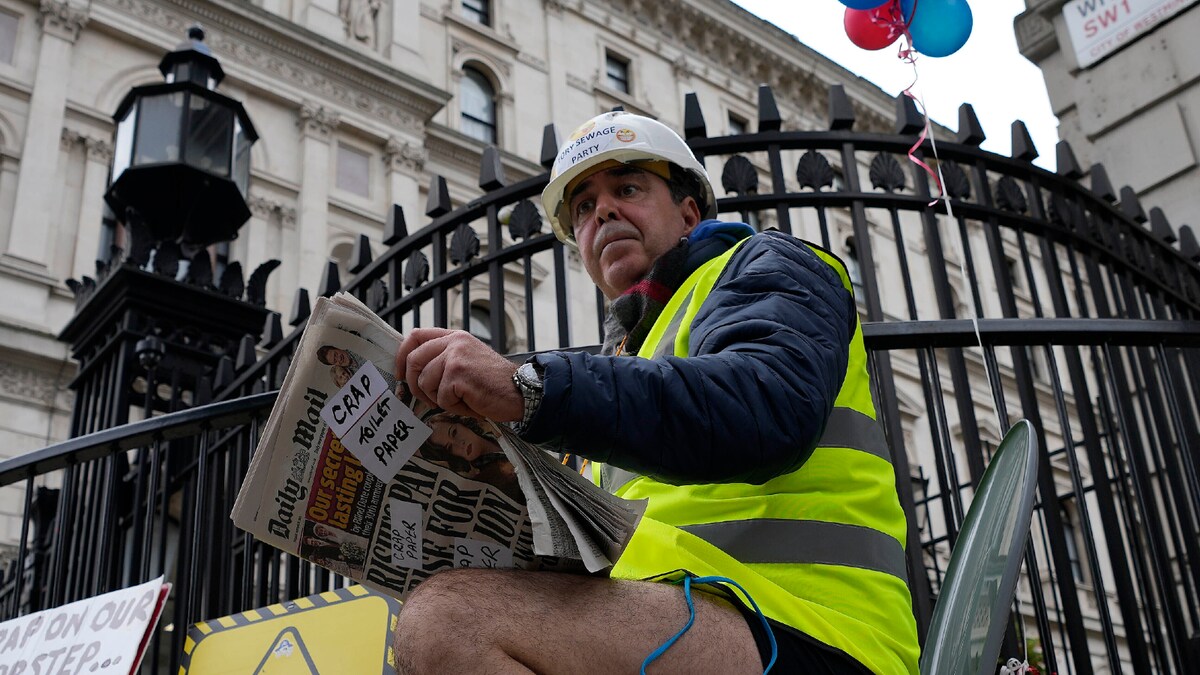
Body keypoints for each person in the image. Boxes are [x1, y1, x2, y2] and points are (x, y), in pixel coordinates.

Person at [393, 111, 919, 674]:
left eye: (627, 188)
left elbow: (766, 409)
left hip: (811, 630)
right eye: (584, 210)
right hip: (690, 619)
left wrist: (527, 388)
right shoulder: (620, 369)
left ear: (689, 212)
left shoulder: (770, 265)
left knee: (451, 621)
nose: (604, 212)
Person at [417, 411, 523, 503]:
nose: (459, 444)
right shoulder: (485, 484)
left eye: (454, 432)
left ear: (460, 422)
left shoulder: (501, 425)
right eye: (450, 447)